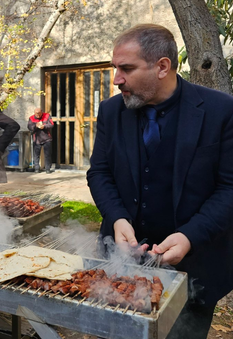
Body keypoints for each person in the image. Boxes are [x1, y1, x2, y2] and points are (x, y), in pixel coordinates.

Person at [86, 24, 233, 339]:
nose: (116, 79)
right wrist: (117, 218)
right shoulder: (111, 111)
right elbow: (99, 172)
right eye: (115, 69)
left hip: (195, 267)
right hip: (120, 265)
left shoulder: (221, 110)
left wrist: (190, 236)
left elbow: (230, 188)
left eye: (127, 69)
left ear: (162, 66)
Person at [27, 107, 53, 173]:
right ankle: (37, 168)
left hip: (47, 138)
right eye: (36, 114)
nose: (38, 115)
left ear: (42, 112)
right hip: (37, 138)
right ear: (34, 113)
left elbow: (51, 124)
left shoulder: (47, 116)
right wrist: (36, 126)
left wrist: (44, 126)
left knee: (47, 154)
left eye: (39, 114)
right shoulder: (31, 118)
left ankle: (47, 169)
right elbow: (29, 127)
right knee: (36, 155)